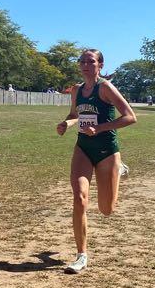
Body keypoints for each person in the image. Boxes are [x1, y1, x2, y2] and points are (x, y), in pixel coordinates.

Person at [55, 48, 137, 274]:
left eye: (90, 61)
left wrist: (99, 128)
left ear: (100, 65)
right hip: (83, 148)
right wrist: (66, 123)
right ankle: (81, 255)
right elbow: (75, 115)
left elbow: (130, 117)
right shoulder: (77, 90)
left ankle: (119, 169)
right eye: (82, 61)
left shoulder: (105, 88)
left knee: (106, 209)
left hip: (107, 151)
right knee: (79, 198)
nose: (85, 65)